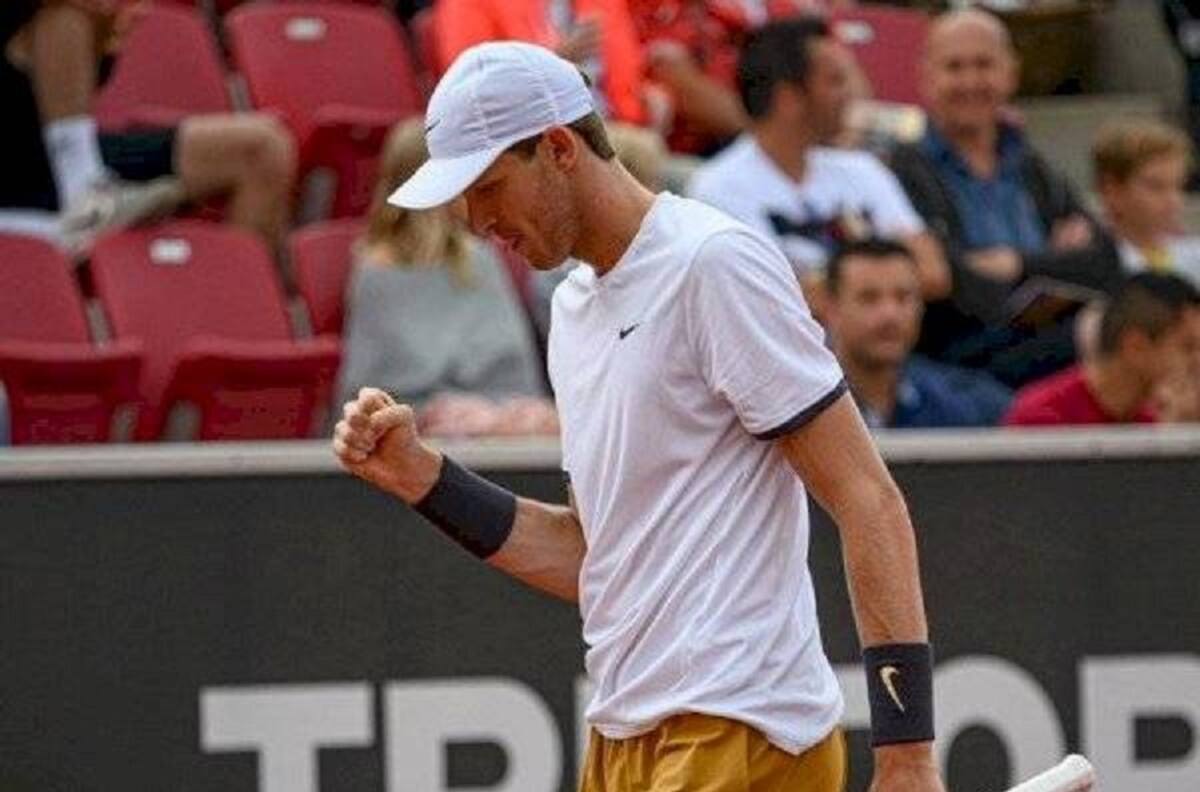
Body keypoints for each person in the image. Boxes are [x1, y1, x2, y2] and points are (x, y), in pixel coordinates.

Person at [334, 41, 945, 792]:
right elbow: (597, 560)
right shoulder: (573, 309)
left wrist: (907, 755)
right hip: (625, 735)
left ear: (558, 148)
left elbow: (867, 498)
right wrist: (427, 480)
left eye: (489, 186)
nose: (477, 218)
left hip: (741, 721)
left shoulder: (712, 264)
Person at [888, 8, 1101, 386]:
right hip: (961, 356)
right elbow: (950, 284)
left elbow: (1101, 261)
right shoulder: (900, 170)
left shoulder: (1034, 167)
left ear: (1010, 73)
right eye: (954, 67)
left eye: (984, 64)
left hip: (1052, 342)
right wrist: (1052, 263)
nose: (970, 81)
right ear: (925, 78)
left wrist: (1015, 263)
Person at [687, 17, 949, 312]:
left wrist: (829, 291)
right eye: (835, 81)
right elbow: (762, 301)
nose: (849, 94)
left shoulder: (863, 170)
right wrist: (889, 284)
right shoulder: (719, 188)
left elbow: (933, 273)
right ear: (789, 98)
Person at [0, 0, 296, 251]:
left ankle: (239, 312)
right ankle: (83, 190)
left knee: (263, 148)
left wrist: (105, 31)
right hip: (20, 179)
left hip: (48, 158)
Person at [336, 119, 556, 437]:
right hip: (424, 423)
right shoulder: (376, 270)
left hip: (504, 411)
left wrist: (502, 413)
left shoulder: (479, 258)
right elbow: (380, 387)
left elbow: (510, 366)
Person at [827, 238, 1011, 429]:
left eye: (903, 297)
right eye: (869, 298)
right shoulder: (800, 406)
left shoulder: (969, 405)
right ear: (831, 309)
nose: (890, 314)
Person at [1005, 272, 1200, 426]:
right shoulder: (1042, 420)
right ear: (1136, 347)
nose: (1196, 361)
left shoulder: (1167, 413)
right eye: (1188, 347)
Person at [1091, 119, 1200, 288]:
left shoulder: (1194, 254)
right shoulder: (1091, 267)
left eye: (1179, 186)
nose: (1173, 200)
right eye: (1156, 187)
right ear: (1112, 190)